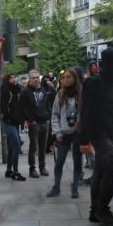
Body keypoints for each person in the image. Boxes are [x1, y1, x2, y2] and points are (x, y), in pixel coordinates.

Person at [80, 47, 113, 226]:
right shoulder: (95, 83)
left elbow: (112, 111)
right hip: (97, 133)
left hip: (107, 133)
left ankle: (95, 210)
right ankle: (102, 209)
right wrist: (84, 140)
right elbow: (86, 111)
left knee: (100, 171)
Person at [47, 68, 82, 198]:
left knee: (77, 161)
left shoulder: (81, 93)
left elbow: (84, 112)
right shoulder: (60, 94)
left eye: (69, 77)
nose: (66, 80)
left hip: (77, 132)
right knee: (59, 161)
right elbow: (55, 115)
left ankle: (75, 187)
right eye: (64, 78)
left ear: (74, 78)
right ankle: (56, 187)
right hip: (63, 133)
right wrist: (57, 132)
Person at [21, 70, 51, 178]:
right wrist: (30, 120)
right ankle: (32, 168)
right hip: (34, 122)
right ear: (30, 78)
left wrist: (48, 116)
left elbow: (47, 104)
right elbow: (23, 108)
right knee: (33, 146)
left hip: (44, 121)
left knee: (43, 146)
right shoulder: (25, 92)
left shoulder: (43, 89)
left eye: (37, 77)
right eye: (33, 77)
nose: (35, 79)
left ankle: (42, 167)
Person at [0, 73, 26, 181]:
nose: (14, 79)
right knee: (16, 145)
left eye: (14, 77)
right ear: (7, 79)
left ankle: (8, 170)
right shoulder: (6, 90)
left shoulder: (18, 89)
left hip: (16, 121)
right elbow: (4, 107)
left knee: (11, 147)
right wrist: (9, 117)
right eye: (11, 77)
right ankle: (15, 172)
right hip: (8, 121)